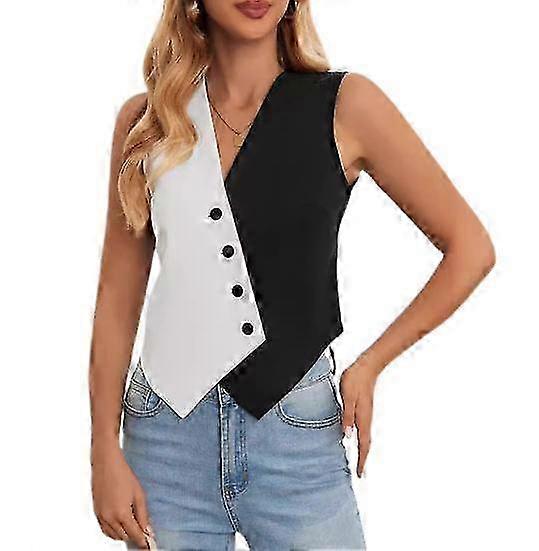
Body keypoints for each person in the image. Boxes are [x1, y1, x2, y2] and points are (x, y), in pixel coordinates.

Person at [88, 0, 496, 549]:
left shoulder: (346, 105)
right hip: (166, 441)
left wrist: (371, 364)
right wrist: (103, 449)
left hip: (296, 437)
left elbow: (470, 247)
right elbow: (117, 297)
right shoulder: (147, 122)